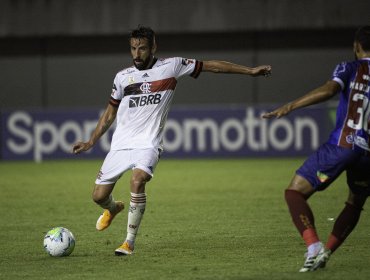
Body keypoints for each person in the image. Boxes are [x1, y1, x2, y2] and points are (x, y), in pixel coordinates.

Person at [72, 26, 272, 256]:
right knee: (98, 196)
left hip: (148, 143)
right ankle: (114, 208)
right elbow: (109, 114)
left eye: (142, 48)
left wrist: (250, 71)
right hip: (121, 145)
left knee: (138, 181)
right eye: (133, 48)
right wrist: (90, 142)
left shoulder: (172, 66)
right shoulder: (122, 77)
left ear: (153, 47)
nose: (137, 54)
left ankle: (128, 242)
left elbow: (211, 66)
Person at [262, 26, 370, 272]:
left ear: (356, 46)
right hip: (368, 156)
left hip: (342, 146)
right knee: (355, 202)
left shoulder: (349, 67)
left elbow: (330, 90)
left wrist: (290, 106)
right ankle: (326, 251)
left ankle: (313, 247)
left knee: (294, 192)